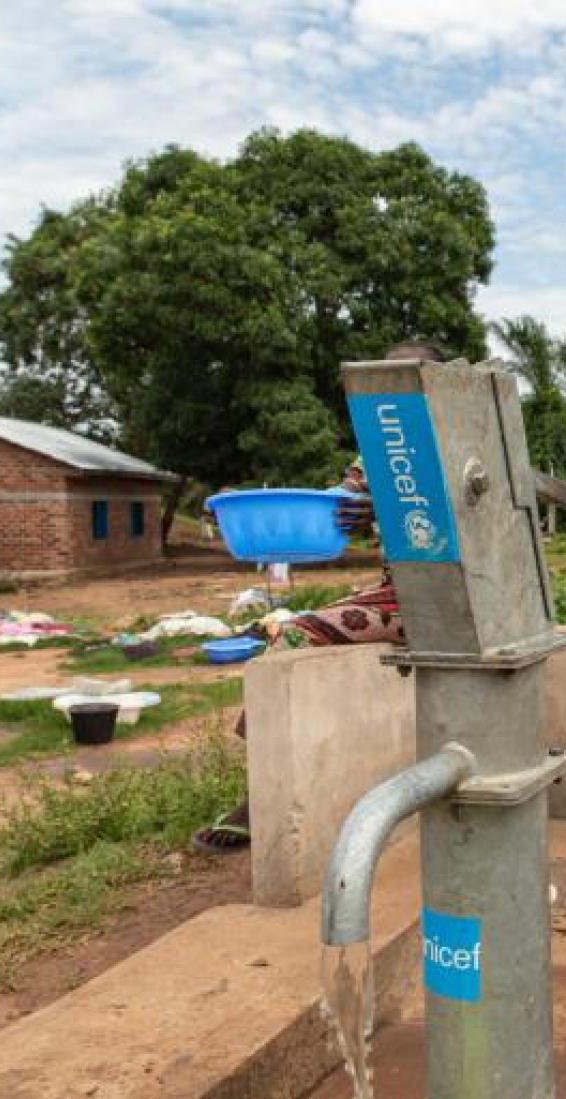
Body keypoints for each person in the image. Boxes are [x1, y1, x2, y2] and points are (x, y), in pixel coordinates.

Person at [191, 339, 448, 852]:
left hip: (448, 594)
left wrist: (383, 513)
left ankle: (257, 801)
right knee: (285, 634)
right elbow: (343, 500)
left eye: (409, 376)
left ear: (439, 382)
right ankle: (267, 789)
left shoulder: (463, 437)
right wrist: (277, 515)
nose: (394, 389)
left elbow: (472, 520)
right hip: (397, 593)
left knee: (293, 635)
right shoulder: (377, 446)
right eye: (383, 378)